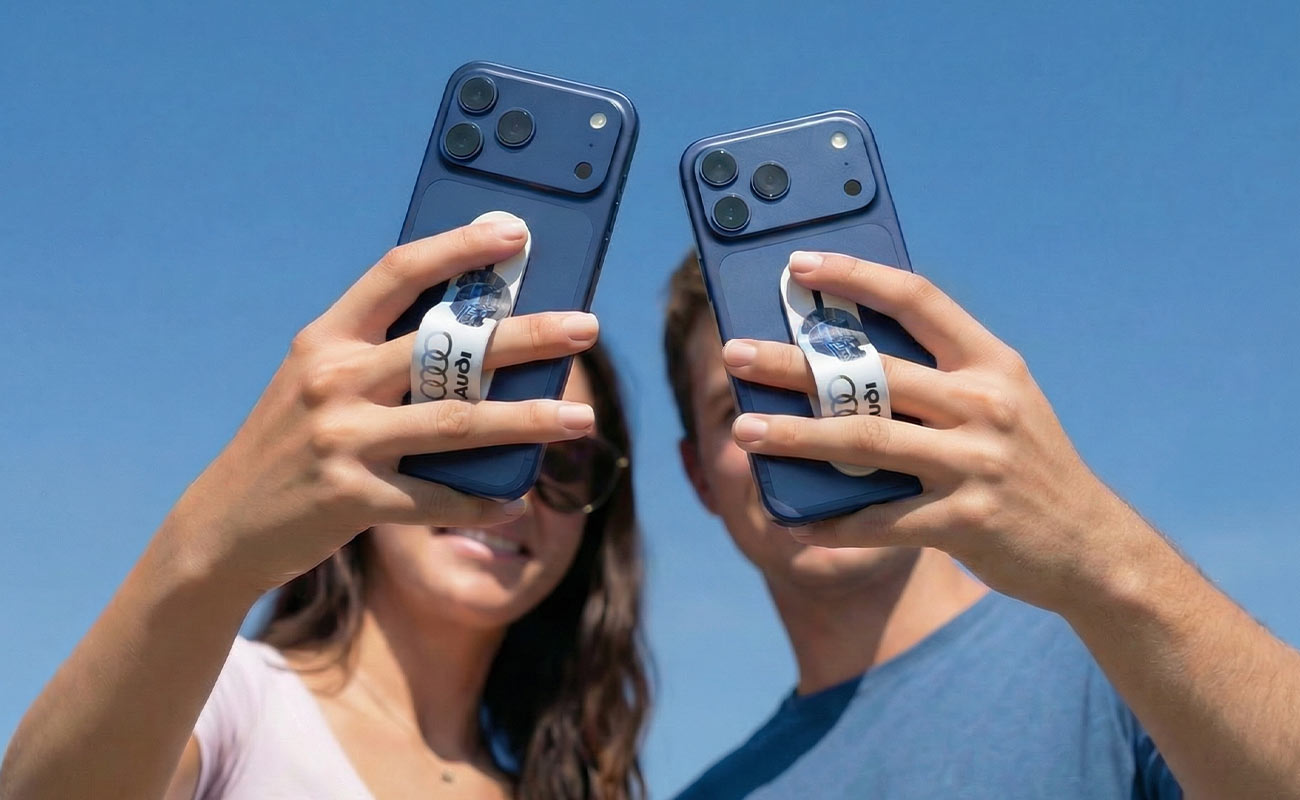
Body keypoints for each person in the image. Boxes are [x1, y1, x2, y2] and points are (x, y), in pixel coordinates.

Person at [0, 220, 650, 800]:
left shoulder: (573, 787)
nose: (513, 491)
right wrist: (210, 548)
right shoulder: (225, 700)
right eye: (470, 431)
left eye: (566, 462)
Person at [664, 250, 1300, 798]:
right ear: (697, 478)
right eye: (744, 403)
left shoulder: (1130, 660)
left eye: (842, 375)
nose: (808, 430)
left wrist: (1100, 556)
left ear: (927, 390)